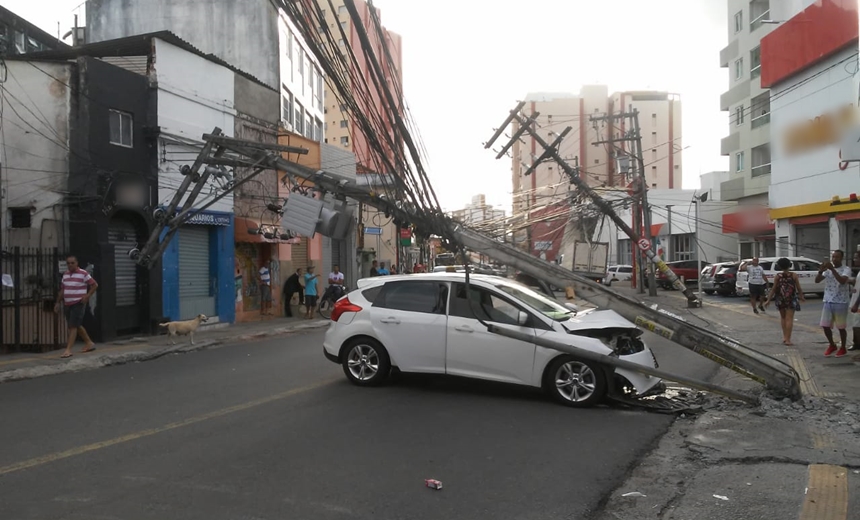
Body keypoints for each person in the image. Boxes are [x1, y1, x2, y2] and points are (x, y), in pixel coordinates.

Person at [54, 255, 98, 359]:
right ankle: (89, 343)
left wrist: (87, 296)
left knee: (72, 326)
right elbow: (62, 290)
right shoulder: (65, 275)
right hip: (67, 303)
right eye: (68, 263)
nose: (70, 265)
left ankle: (68, 350)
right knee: (75, 324)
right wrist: (57, 302)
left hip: (78, 303)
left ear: (77, 263)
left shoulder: (83, 273)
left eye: (72, 263)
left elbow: (94, 285)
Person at [815, 250, 852, 357]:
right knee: (825, 326)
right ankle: (832, 345)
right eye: (833, 257)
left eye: (837, 257)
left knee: (841, 327)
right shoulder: (828, 270)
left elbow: (842, 281)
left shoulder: (846, 269)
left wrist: (832, 269)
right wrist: (821, 271)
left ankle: (843, 347)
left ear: (842, 258)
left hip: (841, 301)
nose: (834, 259)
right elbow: (817, 281)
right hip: (828, 300)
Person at [765, 257, 804, 346]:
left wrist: (768, 300)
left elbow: (774, 289)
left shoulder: (778, 276)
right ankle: (788, 339)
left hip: (780, 299)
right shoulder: (793, 275)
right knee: (789, 319)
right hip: (791, 298)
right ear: (789, 265)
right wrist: (801, 296)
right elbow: (798, 287)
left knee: (783, 318)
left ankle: (785, 337)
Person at [849, 250, 860, 352]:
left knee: (857, 326)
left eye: (857, 257)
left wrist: (856, 304)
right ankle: (856, 343)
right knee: (855, 325)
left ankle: (857, 344)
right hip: (855, 301)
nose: (854, 259)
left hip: (858, 304)